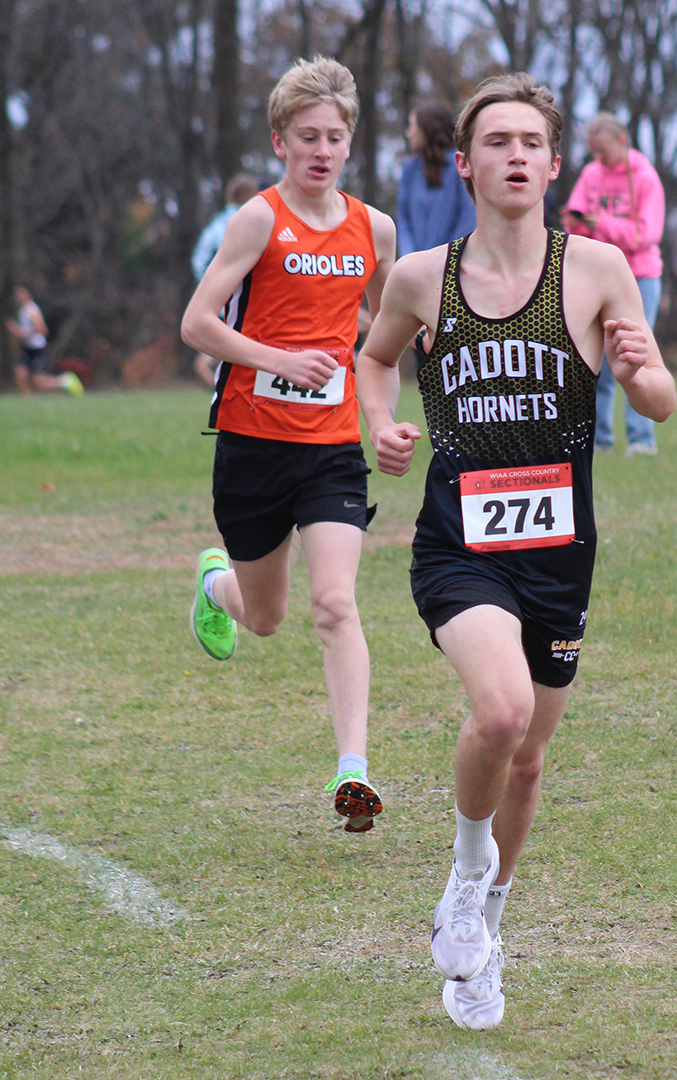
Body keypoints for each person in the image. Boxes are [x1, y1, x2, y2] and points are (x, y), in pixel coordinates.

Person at [356, 73, 676, 1029]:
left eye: (533, 142)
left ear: (553, 162)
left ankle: (485, 931)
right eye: (497, 141)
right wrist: (384, 428)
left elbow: (660, 398)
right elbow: (375, 359)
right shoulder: (422, 276)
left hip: (560, 552)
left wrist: (638, 371)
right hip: (460, 545)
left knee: (530, 760)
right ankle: (463, 876)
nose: (516, 156)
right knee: (497, 714)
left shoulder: (600, 270)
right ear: (465, 164)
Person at [180, 56, 395, 833]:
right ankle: (215, 587)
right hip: (251, 445)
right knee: (265, 617)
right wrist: (278, 360)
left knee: (336, 603)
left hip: (332, 449)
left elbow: (389, 336)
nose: (323, 150)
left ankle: (354, 772)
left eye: (336, 137)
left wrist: (387, 417)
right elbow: (197, 323)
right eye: (308, 136)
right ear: (280, 141)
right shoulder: (260, 219)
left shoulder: (376, 229)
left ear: (350, 143)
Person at [562, 113, 665, 455]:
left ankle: (641, 439)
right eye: (593, 151)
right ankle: (599, 439)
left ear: (621, 142)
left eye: (603, 151)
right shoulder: (592, 174)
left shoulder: (645, 177)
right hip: (597, 276)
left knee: (636, 354)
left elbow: (646, 235)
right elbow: (578, 228)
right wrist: (577, 223)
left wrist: (600, 222)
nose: (598, 159)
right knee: (597, 360)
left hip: (640, 275)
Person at [190, 174, 260, 387]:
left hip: (224, 299)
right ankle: (221, 382)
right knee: (240, 344)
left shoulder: (216, 224)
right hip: (242, 299)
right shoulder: (246, 222)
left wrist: (210, 288)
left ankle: (219, 379)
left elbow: (198, 261)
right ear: (246, 195)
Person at [396, 102, 476, 257]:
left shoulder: (461, 168)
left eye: (412, 126)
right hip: (414, 269)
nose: (409, 133)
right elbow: (403, 222)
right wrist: (411, 260)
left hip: (452, 267)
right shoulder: (409, 170)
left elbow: (467, 221)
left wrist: (443, 262)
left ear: (427, 129)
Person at [9, 286, 83, 396]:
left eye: (21, 294)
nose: (18, 297)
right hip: (27, 348)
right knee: (21, 375)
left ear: (28, 295)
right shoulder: (22, 311)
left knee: (39, 383)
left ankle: (66, 381)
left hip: (36, 348)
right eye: (17, 295)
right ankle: (26, 400)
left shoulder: (32, 310)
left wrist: (19, 332)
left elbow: (42, 330)